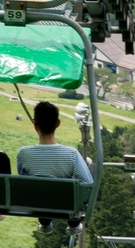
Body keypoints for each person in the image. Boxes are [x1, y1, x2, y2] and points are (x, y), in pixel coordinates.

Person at [17, 101, 92, 235]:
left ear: (35, 126)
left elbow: (24, 180)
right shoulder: (71, 154)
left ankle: (45, 223)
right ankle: (73, 224)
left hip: (37, 205)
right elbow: (87, 183)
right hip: (64, 205)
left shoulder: (23, 153)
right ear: (58, 123)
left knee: (40, 189)